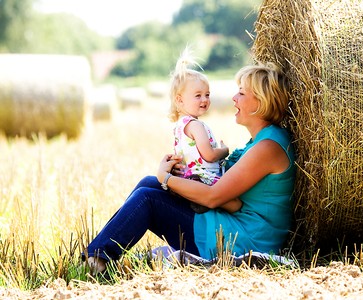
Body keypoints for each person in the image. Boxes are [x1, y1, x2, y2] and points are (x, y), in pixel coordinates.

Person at [84, 61, 296, 274]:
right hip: (233, 223)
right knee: (148, 183)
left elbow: (213, 196)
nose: (233, 98)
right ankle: (98, 254)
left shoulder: (268, 147)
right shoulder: (260, 141)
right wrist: (179, 175)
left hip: (244, 238)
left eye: (241, 93)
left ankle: (97, 261)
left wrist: (166, 178)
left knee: (148, 199)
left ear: (261, 102)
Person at [168, 48, 239, 213]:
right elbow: (209, 155)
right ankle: (204, 203)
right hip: (202, 180)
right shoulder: (195, 125)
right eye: (198, 95)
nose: (205, 100)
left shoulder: (180, 125)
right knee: (237, 205)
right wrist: (224, 150)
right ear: (180, 100)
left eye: (207, 94)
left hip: (188, 178)